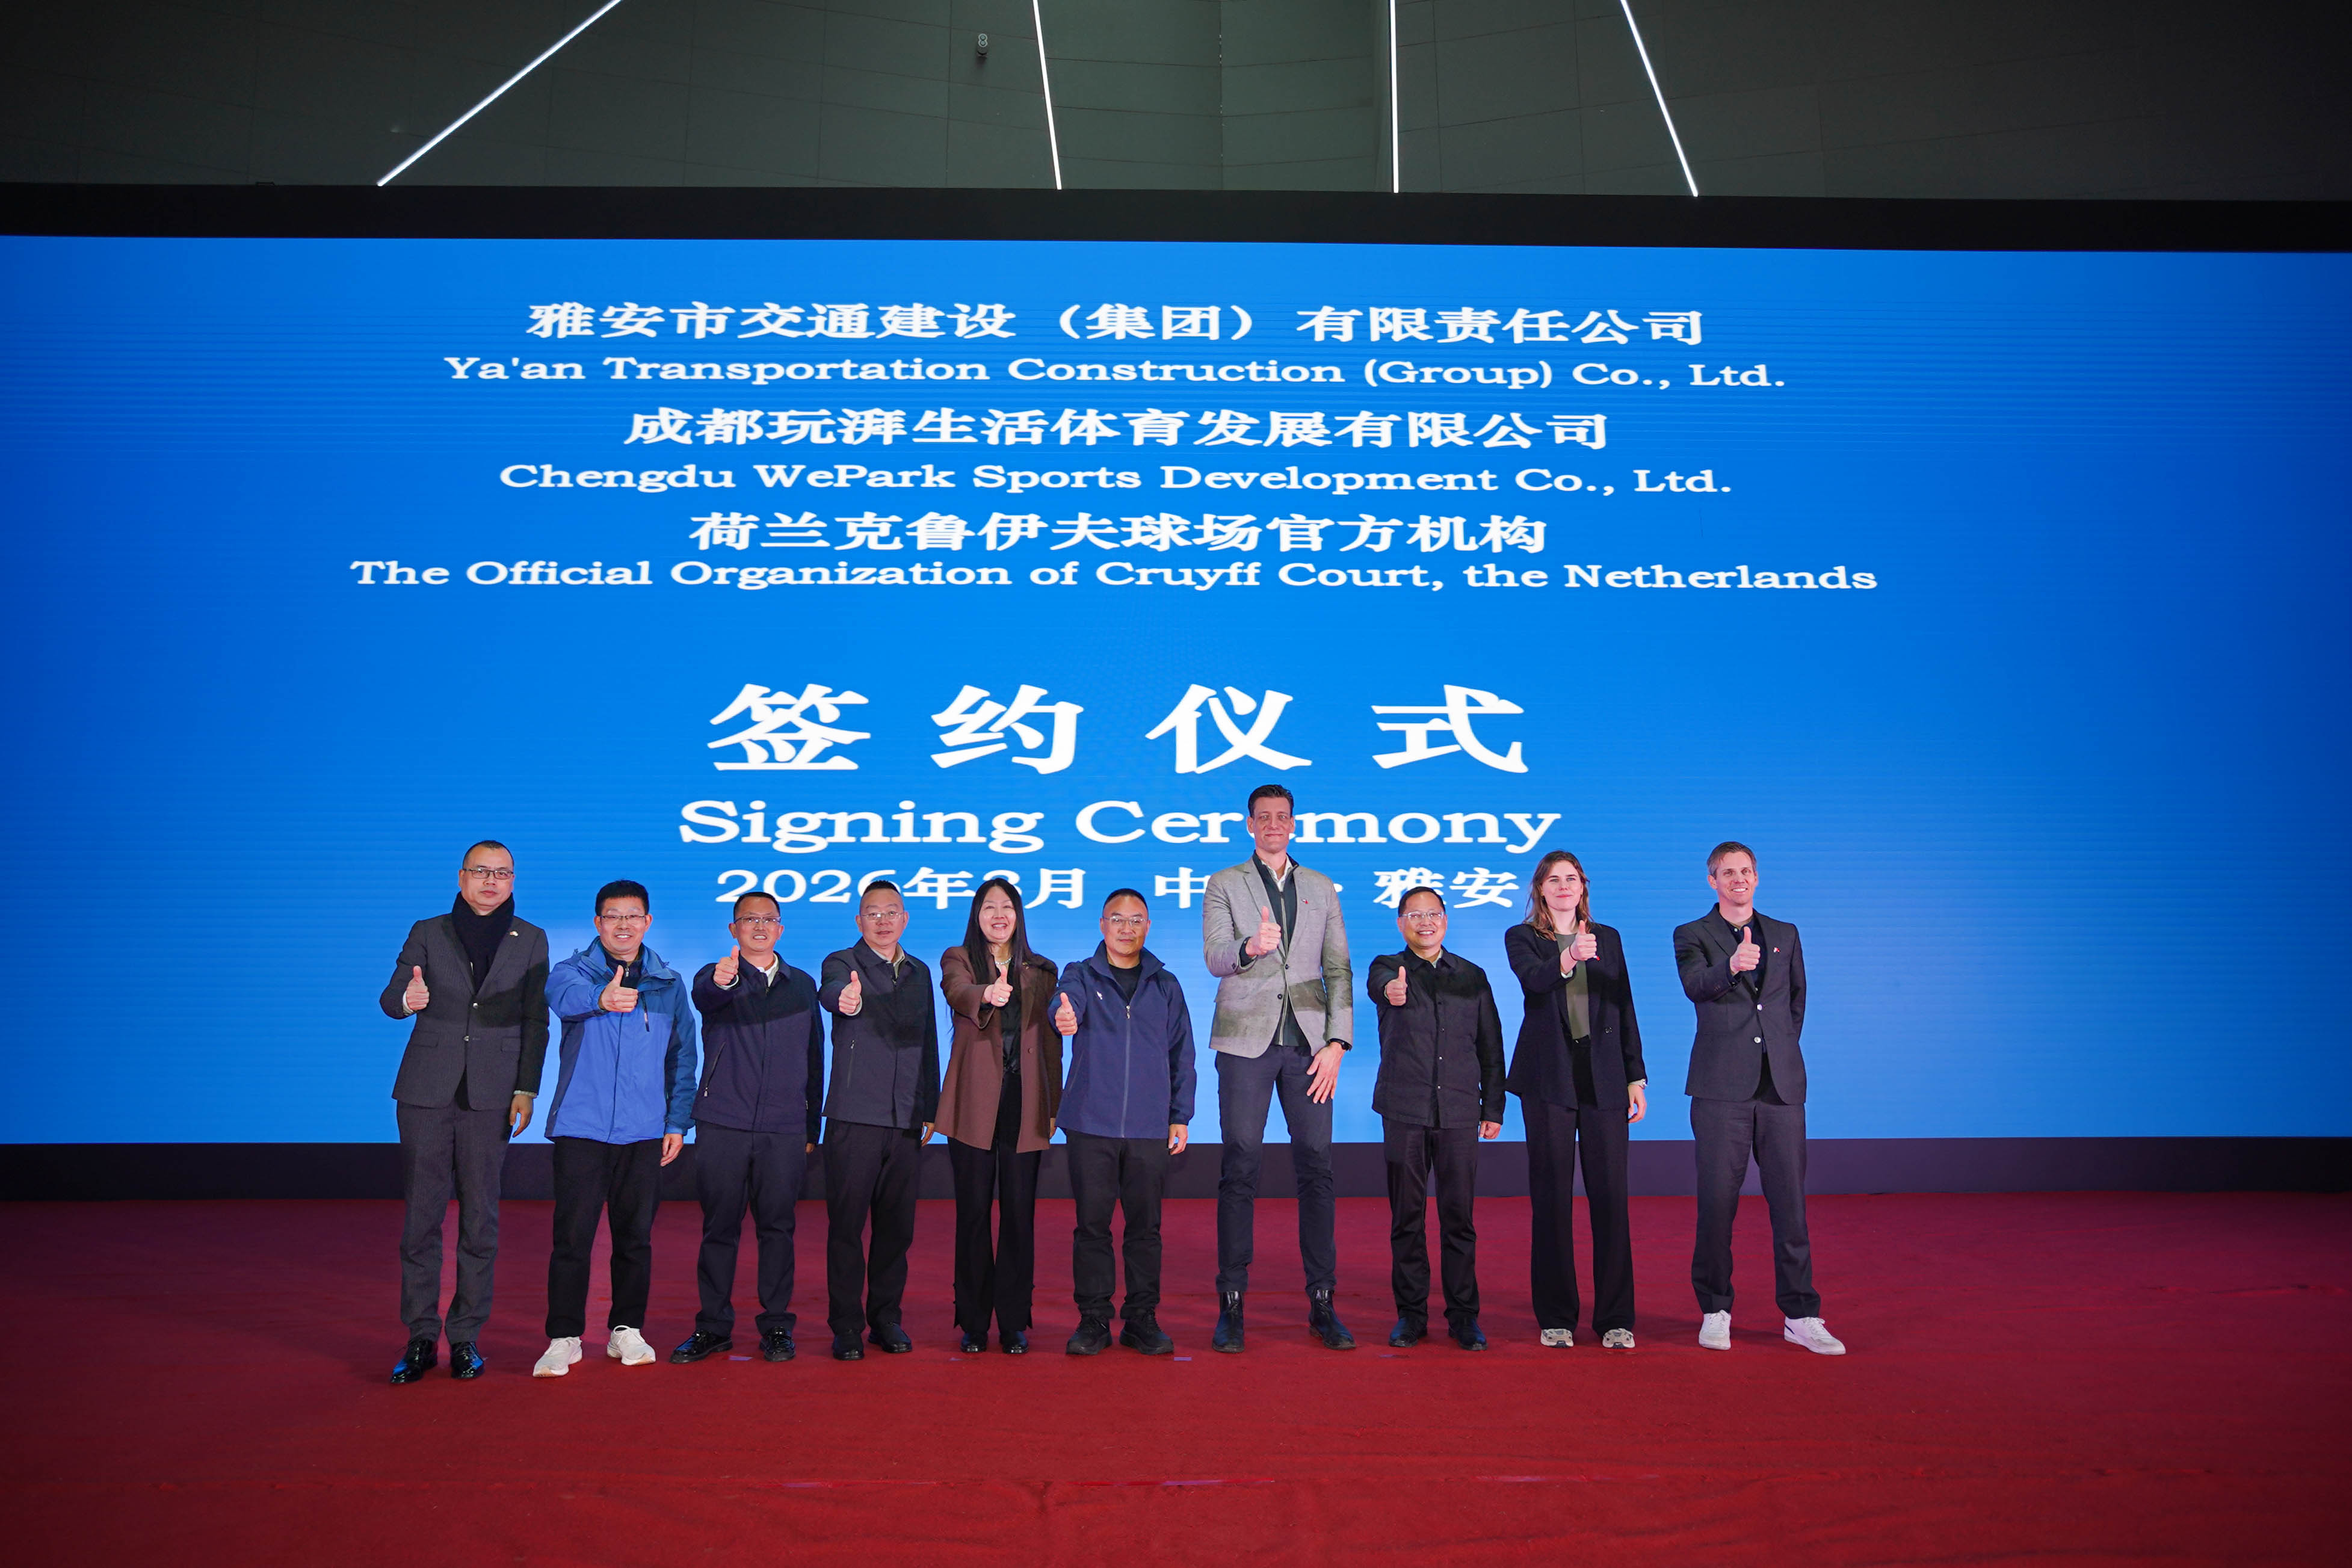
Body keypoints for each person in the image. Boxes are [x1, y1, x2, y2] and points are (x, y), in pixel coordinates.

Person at [378, 841, 548, 1383]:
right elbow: (391, 997)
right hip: (426, 1091)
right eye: (481, 872)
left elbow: (535, 1020)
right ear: (461, 877)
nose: (491, 882)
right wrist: (407, 1001)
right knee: (422, 1219)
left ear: (513, 880)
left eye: (502, 873)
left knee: (481, 1220)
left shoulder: (531, 938)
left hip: (492, 1095)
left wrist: (526, 1089)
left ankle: (466, 1336)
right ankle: (420, 1336)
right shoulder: (428, 931)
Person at [1200, 783, 1356, 1353]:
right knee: (1240, 1163)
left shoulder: (1320, 886)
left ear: (1293, 824)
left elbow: (1338, 968)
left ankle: (1322, 1302)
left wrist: (1337, 1042)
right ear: (1249, 824)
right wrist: (1250, 947)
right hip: (1244, 1041)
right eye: (1262, 817)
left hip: (1309, 1047)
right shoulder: (1224, 883)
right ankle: (1231, 1304)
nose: (1272, 824)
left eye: (1281, 816)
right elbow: (1215, 956)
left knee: (1316, 1166)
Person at [1673, 842, 1845, 1355]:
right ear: (1712, 881)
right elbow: (1694, 986)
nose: (1738, 880)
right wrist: (1730, 966)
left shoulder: (1784, 933)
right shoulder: (1691, 934)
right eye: (1727, 873)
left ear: (1756, 877)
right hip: (1719, 1089)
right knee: (1716, 1206)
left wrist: (1778, 1052)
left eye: (1745, 871)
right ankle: (1715, 1309)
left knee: (1790, 1207)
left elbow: (1795, 1002)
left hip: (1780, 1088)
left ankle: (1801, 1314)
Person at [531, 880, 698, 1378]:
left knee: (635, 1239)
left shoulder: (669, 985)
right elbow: (563, 1000)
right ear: (598, 923)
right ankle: (564, 1337)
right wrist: (601, 998)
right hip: (581, 1128)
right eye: (612, 916)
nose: (623, 925)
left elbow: (682, 1058)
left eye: (632, 916)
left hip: (644, 1130)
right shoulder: (571, 973)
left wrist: (677, 1121)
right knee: (572, 1239)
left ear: (647, 922)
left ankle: (626, 1329)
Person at [671, 890, 824, 1366]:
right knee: (719, 1228)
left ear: (780, 929)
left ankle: (777, 1326)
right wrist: (723, 980)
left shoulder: (802, 985)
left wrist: (810, 1127)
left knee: (778, 1229)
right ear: (733, 929)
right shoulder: (717, 976)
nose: (759, 927)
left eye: (768, 919)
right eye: (749, 920)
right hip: (724, 1122)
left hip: (784, 1126)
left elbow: (815, 1057)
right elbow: (705, 995)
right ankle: (712, 1327)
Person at [1505, 851, 1647, 1351]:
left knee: (1611, 1199)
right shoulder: (1522, 937)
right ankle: (1556, 1316)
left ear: (1582, 886)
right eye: (1553, 879)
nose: (1563, 886)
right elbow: (1533, 980)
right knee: (1551, 1200)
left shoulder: (1607, 937)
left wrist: (1635, 1075)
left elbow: (1624, 1005)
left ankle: (1615, 1318)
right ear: (1540, 889)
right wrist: (1568, 957)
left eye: (1571, 879)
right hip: (1548, 1078)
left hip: (1604, 1076)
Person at [1054, 888, 1196, 1357]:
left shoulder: (1166, 985)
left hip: (1149, 1127)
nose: (1126, 928)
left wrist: (1179, 1115)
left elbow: (1182, 1054)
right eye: (1117, 919)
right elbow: (1065, 1003)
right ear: (1102, 924)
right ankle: (1093, 1320)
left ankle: (1141, 1319)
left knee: (1145, 1230)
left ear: (1147, 927)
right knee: (1091, 1228)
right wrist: (1063, 1014)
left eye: (1136, 920)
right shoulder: (1079, 974)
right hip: (1090, 1123)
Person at [1366, 886, 1504, 1350]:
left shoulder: (1472, 975)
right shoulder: (1387, 967)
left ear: (1445, 919)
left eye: (1433, 914)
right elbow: (1379, 987)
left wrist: (1492, 1107)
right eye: (1414, 915)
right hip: (1404, 1110)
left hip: (1460, 1111)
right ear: (1400, 923)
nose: (1425, 922)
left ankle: (1464, 1316)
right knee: (1407, 1218)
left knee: (1458, 1219)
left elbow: (1490, 1045)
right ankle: (1410, 1315)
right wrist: (1392, 990)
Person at [933, 879, 1062, 1355]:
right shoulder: (959, 959)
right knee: (972, 1215)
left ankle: (1013, 1321)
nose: (998, 915)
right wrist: (987, 993)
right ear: (976, 915)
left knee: (1018, 1216)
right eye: (989, 907)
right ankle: (972, 1321)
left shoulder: (1042, 969)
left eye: (1006, 907)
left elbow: (1050, 1044)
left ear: (1018, 915)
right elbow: (957, 991)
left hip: (1024, 1104)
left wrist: (1053, 1106)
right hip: (973, 1104)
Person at [816, 880, 939, 1361]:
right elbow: (832, 994)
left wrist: (929, 1107)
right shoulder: (841, 962)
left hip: (905, 1117)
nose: (883, 921)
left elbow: (928, 1040)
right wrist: (843, 1000)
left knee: (895, 1230)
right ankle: (846, 1326)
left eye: (892, 912)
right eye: (873, 913)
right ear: (859, 920)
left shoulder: (919, 971)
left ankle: (886, 1319)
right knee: (847, 1228)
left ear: (904, 919)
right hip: (854, 1116)